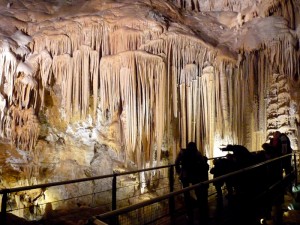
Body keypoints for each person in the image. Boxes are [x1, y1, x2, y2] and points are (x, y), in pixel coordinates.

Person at [175, 142, 209, 224]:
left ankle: (189, 212)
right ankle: (201, 210)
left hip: (186, 176)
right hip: (195, 175)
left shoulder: (183, 153)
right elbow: (203, 164)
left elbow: (176, 162)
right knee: (198, 192)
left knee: (186, 193)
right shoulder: (197, 153)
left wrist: (179, 171)